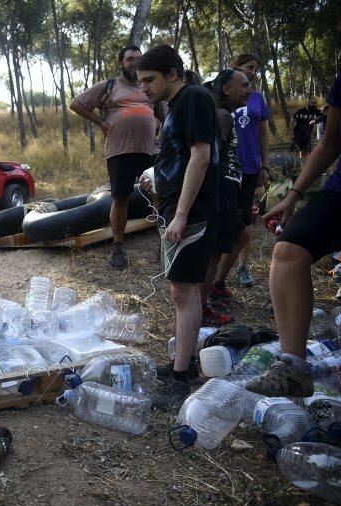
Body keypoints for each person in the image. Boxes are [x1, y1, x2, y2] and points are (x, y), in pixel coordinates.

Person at [246, 70, 341, 397]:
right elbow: (330, 142)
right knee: (288, 250)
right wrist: (293, 194)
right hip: (340, 192)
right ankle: (293, 368)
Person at [136, 45, 219, 408]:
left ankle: (183, 375)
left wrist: (183, 213)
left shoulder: (194, 98)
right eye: (140, 83)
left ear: (172, 73)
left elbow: (201, 156)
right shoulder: (175, 105)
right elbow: (180, 157)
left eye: (149, 80)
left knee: (186, 293)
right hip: (173, 207)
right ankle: (179, 364)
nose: (145, 89)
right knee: (180, 293)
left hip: (193, 213)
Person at [70, 45, 160, 270]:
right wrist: (101, 123)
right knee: (121, 198)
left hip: (152, 151)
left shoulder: (149, 87)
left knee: (160, 195)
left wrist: (162, 134)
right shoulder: (109, 86)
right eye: (130, 59)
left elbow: (165, 114)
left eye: (138, 59)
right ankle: (118, 247)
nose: (134, 62)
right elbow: (76, 104)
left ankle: (164, 243)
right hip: (120, 151)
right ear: (121, 63)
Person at [200, 70, 252, 326]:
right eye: (244, 85)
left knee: (241, 235)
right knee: (212, 252)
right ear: (228, 89)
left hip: (228, 189)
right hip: (222, 191)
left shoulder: (225, 115)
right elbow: (211, 156)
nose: (249, 90)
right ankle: (200, 309)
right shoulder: (222, 116)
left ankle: (214, 287)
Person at [228, 54, 271, 289]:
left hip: (251, 166)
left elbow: (264, 135)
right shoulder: (222, 97)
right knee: (226, 218)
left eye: (256, 68)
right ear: (236, 68)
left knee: (245, 219)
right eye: (249, 67)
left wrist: (265, 164)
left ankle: (242, 267)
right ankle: (217, 270)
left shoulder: (257, 99)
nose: (253, 72)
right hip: (227, 169)